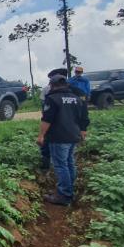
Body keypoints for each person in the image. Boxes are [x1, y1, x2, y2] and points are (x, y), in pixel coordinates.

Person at [36, 73, 90, 205]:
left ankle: (65, 196)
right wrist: (83, 131)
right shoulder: (76, 98)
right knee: (69, 163)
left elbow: (47, 119)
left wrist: (41, 135)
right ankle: (69, 190)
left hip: (59, 137)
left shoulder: (53, 99)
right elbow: (84, 116)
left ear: (52, 85)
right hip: (73, 136)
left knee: (61, 166)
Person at [39, 68, 69, 170]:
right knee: (68, 160)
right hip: (70, 129)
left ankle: (47, 167)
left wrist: (41, 134)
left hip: (55, 127)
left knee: (60, 162)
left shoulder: (51, 94)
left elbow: (46, 115)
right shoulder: (73, 92)